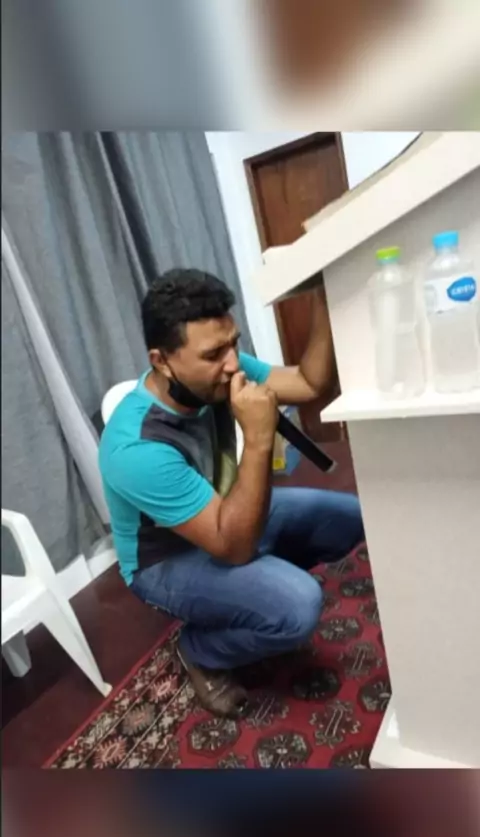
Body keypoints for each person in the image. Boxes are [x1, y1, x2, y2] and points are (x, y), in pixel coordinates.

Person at [99, 269, 364, 717]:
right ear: (161, 361)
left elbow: (308, 382)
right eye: (213, 354)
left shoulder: (216, 373)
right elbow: (234, 546)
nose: (233, 364)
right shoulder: (137, 447)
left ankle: (253, 595)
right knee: (298, 607)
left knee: (348, 517)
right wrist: (258, 437)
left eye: (233, 343)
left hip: (219, 513)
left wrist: (323, 290)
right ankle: (200, 649)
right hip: (163, 561)